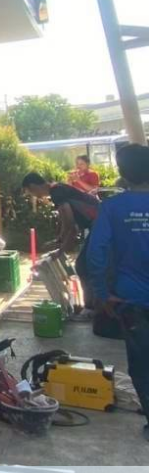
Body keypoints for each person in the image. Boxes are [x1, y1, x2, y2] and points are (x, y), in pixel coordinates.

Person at [87, 144, 149, 443]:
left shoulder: (112, 208)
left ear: (123, 173)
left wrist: (102, 292)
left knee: (142, 364)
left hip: (130, 300)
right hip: (132, 300)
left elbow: (96, 252)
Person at [22, 171, 100, 306]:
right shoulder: (58, 188)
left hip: (100, 225)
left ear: (33, 186)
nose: (33, 196)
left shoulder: (57, 193)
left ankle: (91, 307)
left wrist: (60, 250)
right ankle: (93, 305)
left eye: (30, 192)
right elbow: (68, 225)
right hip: (99, 224)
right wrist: (59, 241)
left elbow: (70, 225)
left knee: (83, 266)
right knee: (87, 266)